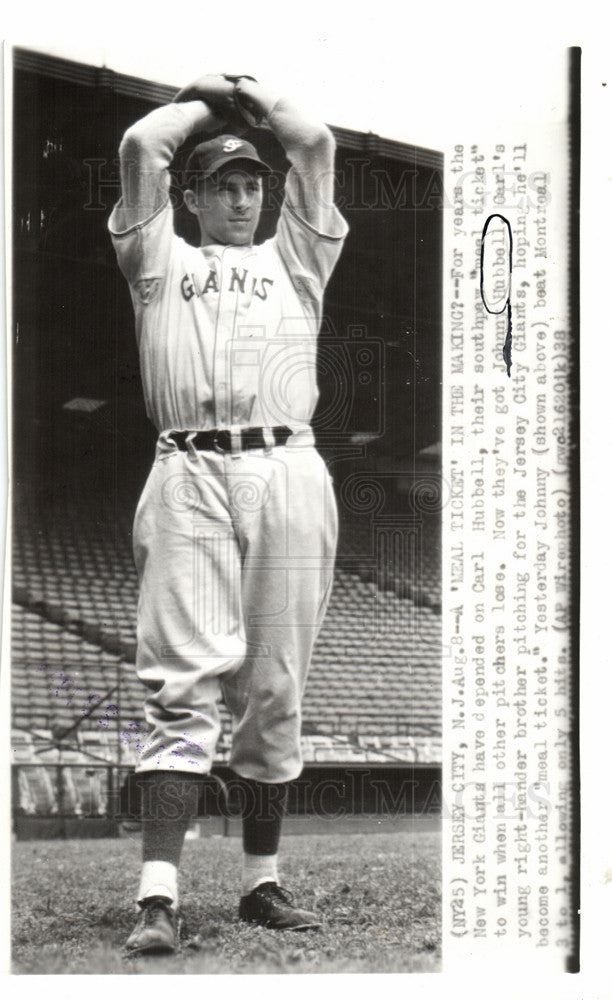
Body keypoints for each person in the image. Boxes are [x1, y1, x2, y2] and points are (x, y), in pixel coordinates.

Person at [108, 74, 348, 954]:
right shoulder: (156, 258)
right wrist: (210, 100)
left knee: (275, 684)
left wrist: (259, 101)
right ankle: (158, 899)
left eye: (252, 182)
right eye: (223, 184)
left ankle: (261, 884)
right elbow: (143, 147)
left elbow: (314, 144)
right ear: (194, 196)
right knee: (181, 684)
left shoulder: (299, 258)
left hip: (286, 463)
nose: (242, 196)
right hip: (187, 466)